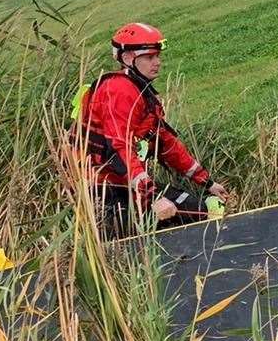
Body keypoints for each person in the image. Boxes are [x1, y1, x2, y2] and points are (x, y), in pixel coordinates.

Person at [72, 22, 228, 238]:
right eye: (149, 57)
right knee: (172, 219)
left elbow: (166, 143)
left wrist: (207, 182)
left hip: (125, 183)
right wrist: (152, 197)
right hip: (100, 189)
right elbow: (119, 148)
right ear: (128, 58)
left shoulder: (143, 92)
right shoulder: (118, 90)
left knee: (200, 209)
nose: (157, 62)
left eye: (158, 56)